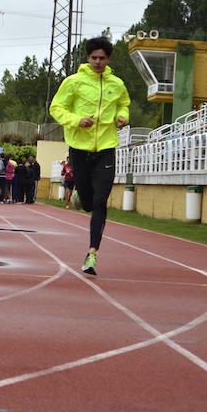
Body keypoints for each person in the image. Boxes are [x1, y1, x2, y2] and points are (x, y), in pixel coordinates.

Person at [49, 36, 130, 276]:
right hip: (79, 148)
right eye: (94, 57)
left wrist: (123, 116)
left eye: (102, 58)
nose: (97, 62)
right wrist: (76, 120)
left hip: (106, 148)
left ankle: (92, 253)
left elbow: (124, 103)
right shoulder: (74, 82)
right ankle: (78, 197)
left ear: (108, 59)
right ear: (88, 58)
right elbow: (57, 107)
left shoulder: (117, 83)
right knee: (86, 203)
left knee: (100, 201)